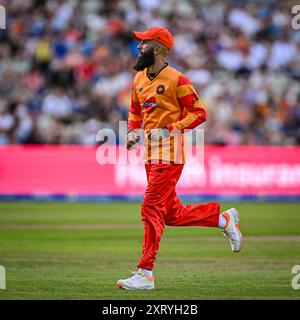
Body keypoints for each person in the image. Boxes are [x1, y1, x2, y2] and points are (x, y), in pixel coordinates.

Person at [117, 27, 242, 290]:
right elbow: (135, 111)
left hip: (170, 156)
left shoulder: (178, 80)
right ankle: (223, 219)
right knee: (172, 213)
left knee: (150, 208)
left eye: (144, 43)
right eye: (139, 43)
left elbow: (199, 113)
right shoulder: (139, 78)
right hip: (150, 155)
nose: (139, 47)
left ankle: (145, 272)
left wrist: (171, 129)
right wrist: (131, 132)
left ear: (158, 48)